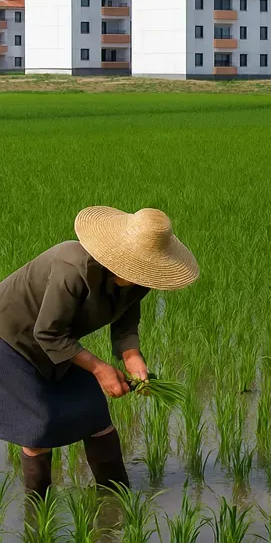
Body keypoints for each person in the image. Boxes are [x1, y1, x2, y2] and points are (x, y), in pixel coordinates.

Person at [0, 207, 199, 498]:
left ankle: (116, 503)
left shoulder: (139, 283)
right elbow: (47, 333)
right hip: (10, 340)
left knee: (95, 417)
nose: (147, 277)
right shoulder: (73, 269)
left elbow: (125, 325)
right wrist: (99, 368)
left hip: (60, 342)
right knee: (39, 428)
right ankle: (38, 512)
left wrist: (133, 358)